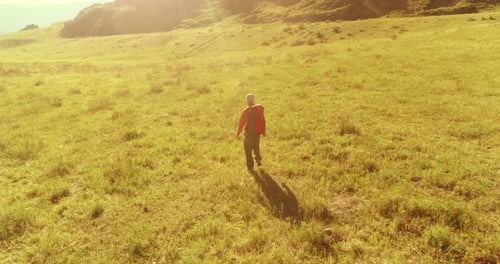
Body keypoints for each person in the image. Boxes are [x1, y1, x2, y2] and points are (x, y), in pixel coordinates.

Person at [236, 94, 266, 171]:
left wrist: (238, 133)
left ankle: (250, 166)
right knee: (256, 146)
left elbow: (241, 122)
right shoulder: (259, 108)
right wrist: (264, 131)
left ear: (247, 100)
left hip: (248, 133)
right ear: (253, 100)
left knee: (248, 149)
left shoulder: (246, 110)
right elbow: (263, 120)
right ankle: (258, 158)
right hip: (257, 132)